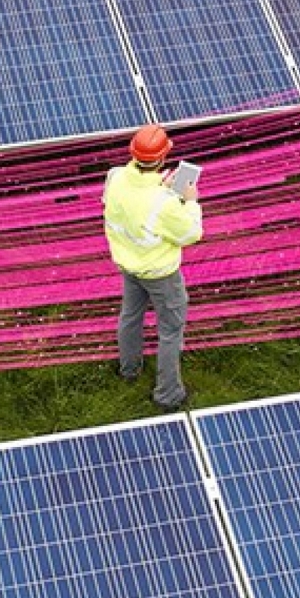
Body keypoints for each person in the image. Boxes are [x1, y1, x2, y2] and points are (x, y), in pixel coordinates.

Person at [101, 124, 203, 410]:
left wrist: (164, 188)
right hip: (160, 274)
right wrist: (190, 202)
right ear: (162, 158)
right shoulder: (165, 203)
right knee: (171, 330)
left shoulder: (116, 177)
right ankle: (168, 395)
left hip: (128, 265)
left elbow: (131, 207)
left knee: (130, 317)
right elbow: (190, 234)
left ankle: (129, 370)